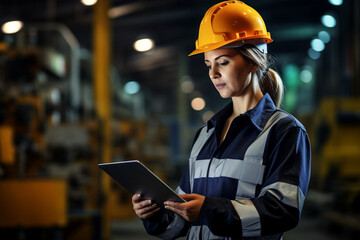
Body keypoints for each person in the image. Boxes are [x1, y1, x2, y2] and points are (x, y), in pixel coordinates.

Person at [132, 1, 311, 239]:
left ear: (253, 61)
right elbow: (180, 221)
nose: (213, 74)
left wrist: (208, 210)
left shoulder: (285, 131)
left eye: (223, 62)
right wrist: (154, 213)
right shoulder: (206, 134)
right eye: (208, 64)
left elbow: (284, 211)